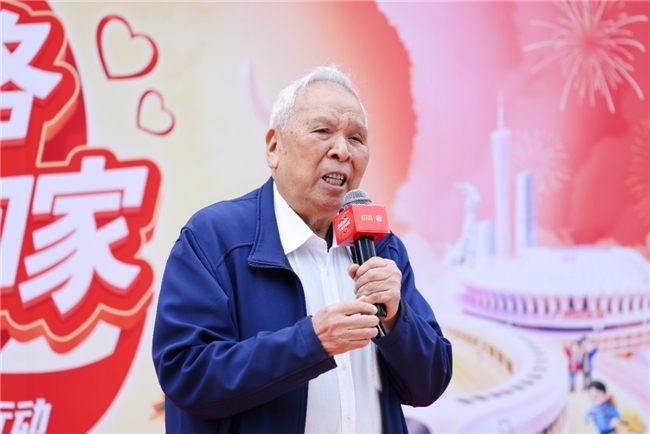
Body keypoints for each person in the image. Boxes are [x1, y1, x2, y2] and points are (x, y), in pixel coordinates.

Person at [152, 65, 453, 433]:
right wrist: (310, 342)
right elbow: (187, 375)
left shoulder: (381, 248)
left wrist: (396, 320)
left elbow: (431, 382)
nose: (342, 151)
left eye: (356, 138)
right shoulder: (213, 238)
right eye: (323, 131)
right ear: (274, 148)